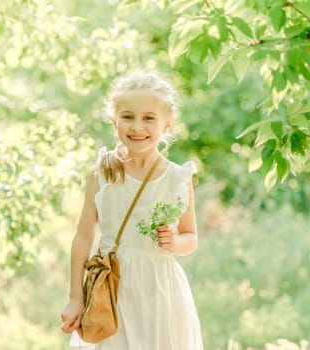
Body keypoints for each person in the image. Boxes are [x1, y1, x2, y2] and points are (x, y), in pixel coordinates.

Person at [60, 70, 203, 350]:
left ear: (167, 123)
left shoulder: (177, 179)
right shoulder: (102, 173)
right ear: (114, 121)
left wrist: (175, 242)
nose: (137, 127)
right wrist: (75, 298)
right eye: (128, 117)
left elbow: (191, 237)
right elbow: (83, 238)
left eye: (149, 118)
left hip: (161, 293)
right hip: (112, 291)